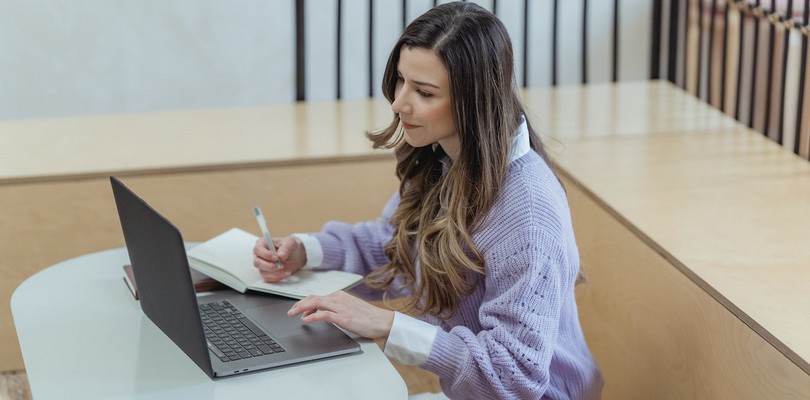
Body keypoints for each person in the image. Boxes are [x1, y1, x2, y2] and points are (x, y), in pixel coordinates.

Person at [253, 2, 603, 399]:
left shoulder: (528, 212)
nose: (400, 103)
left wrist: (388, 326)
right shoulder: (444, 158)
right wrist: (307, 251)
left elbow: (513, 377)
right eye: (401, 81)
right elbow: (397, 246)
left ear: (473, 102)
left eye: (424, 92)